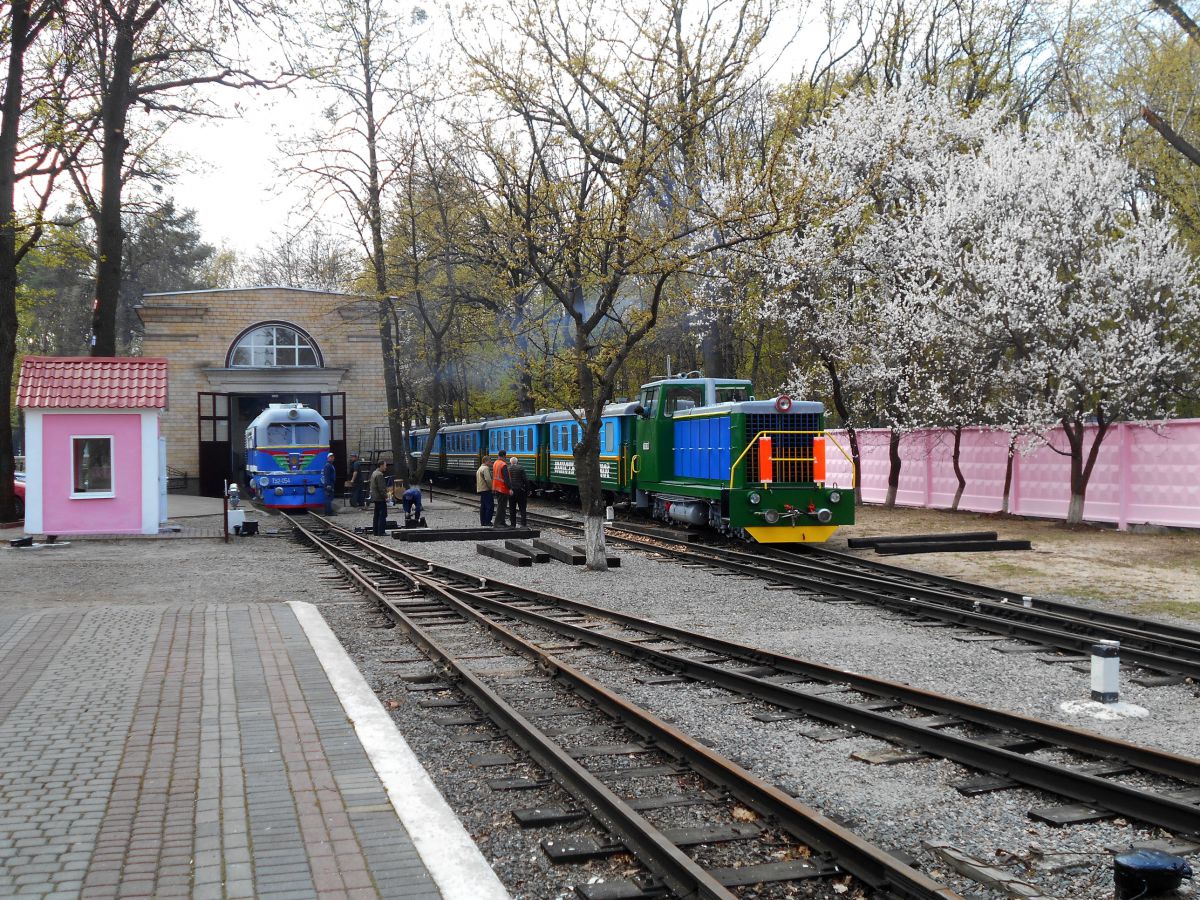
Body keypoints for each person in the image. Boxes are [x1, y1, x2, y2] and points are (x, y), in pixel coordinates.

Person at [507, 455, 529, 527]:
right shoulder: (521, 468)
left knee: (512, 509)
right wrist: (527, 490)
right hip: (521, 491)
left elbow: (507, 481)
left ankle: (513, 524)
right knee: (522, 509)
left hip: (512, 491)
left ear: (511, 462)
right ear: (517, 462)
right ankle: (523, 524)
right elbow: (526, 480)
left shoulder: (508, 468)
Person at [369, 460, 390, 536]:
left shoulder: (374, 473)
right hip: (380, 498)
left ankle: (375, 531)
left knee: (376, 514)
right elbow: (381, 488)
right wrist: (386, 497)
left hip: (375, 497)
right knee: (382, 514)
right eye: (385, 465)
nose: (386, 467)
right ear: (381, 465)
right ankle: (381, 531)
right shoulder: (379, 475)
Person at [491, 449, 510, 529]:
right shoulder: (503, 464)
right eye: (505, 456)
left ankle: (502, 522)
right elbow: (506, 478)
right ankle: (497, 523)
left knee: (501, 506)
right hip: (502, 488)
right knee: (501, 506)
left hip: (496, 487)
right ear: (503, 456)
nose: (506, 458)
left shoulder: (495, 463)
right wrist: (510, 488)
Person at [476, 454, 494, 526]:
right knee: (489, 506)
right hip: (486, 489)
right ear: (486, 461)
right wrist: (491, 488)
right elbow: (488, 480)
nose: (491, 463)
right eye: (490, 461)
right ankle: (488, 521)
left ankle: (483, 522)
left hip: (481, 489)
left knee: (483, 506)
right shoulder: (485, 468)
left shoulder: (480, 468)